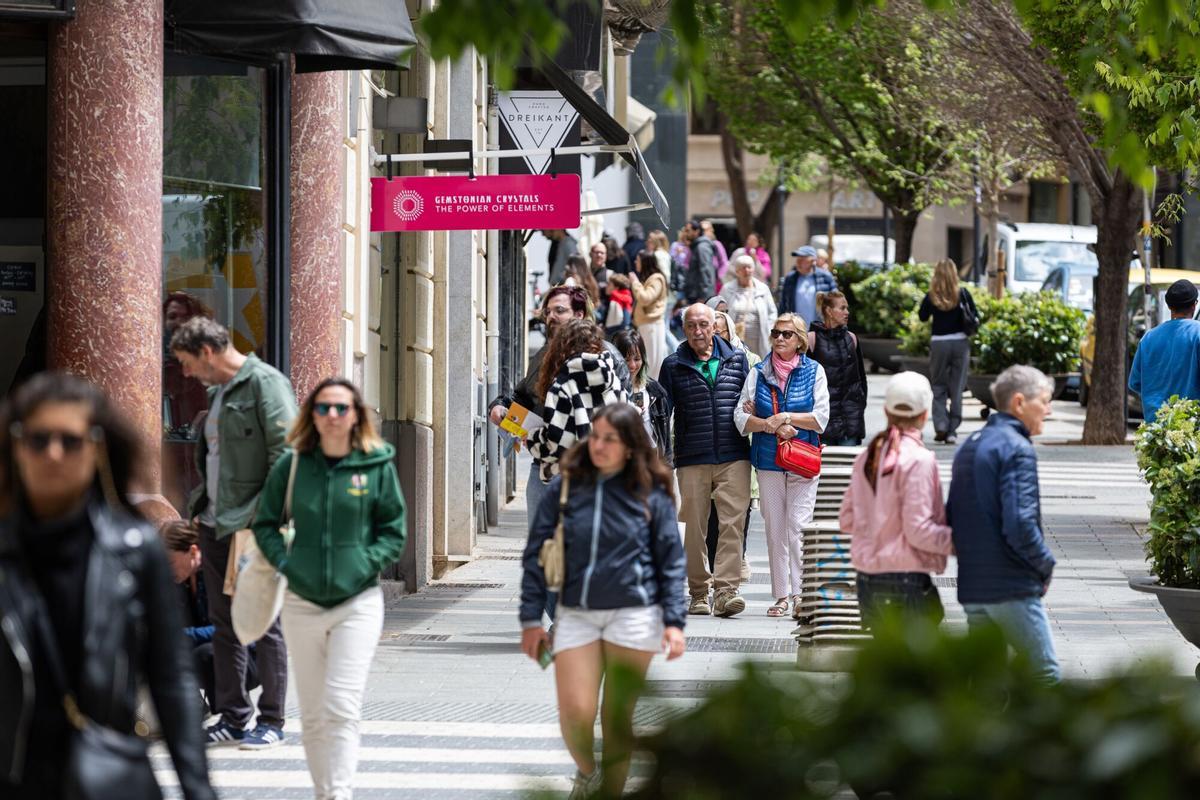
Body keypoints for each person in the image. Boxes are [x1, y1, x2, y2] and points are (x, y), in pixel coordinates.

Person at [0, 373, 216, 800]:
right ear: (16, 447)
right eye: (38, 439)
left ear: (98, 448)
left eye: (72, 440)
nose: (54, 453)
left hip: (108, 773)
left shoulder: (134, 551)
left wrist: (197, 787)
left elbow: (170, 679)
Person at [520, 404, 686, 799]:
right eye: (595, 435)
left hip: (635, 615)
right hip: (576, 614)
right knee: (574, 714)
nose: (599, 445)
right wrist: (530, 619)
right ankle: (589, 772)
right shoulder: (566, 486)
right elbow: (534, 554)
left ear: (630, 446)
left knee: (616, 719)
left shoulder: (651, 493)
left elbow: (671, 560)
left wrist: (674, 622)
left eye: (610, 438)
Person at [252, 377, 407, 800]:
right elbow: (265, 524)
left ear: (356, 414)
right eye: (323, 408)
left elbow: (393, 532)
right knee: (315, 713)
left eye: (342, 408)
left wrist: (364, 562)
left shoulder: (377, 465)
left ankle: (339, 793)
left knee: (341, 704)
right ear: (312, 416)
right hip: (301, 602)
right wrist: (285, 563)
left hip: (357, 601)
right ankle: (325, 792)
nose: (333, 416)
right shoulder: (293, 465)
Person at [170, 316, 297, 748]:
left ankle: (273, 720)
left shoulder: (266, 384)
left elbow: (288, 458)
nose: (185, 373)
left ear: (207, 352)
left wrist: (262, 520)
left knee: (263, 621)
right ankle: (232, 715)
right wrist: (200, 507)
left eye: (187, 362)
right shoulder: (219, 392)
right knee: (226, 625)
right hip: (215, 525)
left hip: (254, 525)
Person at [947, 365, 1060, 683]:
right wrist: (1044, 564)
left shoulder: (970, 445)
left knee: (986, 683)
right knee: (1045, 674)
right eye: (1045, 401)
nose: (1049, 410)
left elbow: (952, 516)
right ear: (1020, 402)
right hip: (1011, 584)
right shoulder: (1017, 448)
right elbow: (1020, 523)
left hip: (974, 586)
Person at [487, 286, 631, 516]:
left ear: (579, 314)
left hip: (561, 467)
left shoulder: (608, 357)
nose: (551, 317)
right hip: (558, 468)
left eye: (559, 310)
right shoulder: (546, 355)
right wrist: (500, 406)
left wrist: (533, 439)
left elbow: (624, 414)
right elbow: (523, 396)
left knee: (551, 546)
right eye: (548, 312)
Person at [839, 372, 953, 629]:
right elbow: (918, 530)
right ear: (925, 416)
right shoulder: (919, 460)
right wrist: (959, 543)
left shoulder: (869, 456)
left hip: (868, 579)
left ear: (886, 411)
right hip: (906, 578)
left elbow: (846, 519)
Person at [659, 303, 752, 617]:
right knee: (693, 525)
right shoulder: (673, 365)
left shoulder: (737, 360)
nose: (698, 332)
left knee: (732, 525)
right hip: (692, 456)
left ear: (715, 326)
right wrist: (662, 457)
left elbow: (750, 404)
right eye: (692, 326)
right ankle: (698, 592)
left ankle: (726, 591)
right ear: (684, 330)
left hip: (734, 453)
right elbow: (663, 414)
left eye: (704, 325)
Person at [734, 313, 829, 618]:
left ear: (800, 340)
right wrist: (769, 425)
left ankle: (801, 594)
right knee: (775, 528)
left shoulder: (815, 371)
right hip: (768, 461)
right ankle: (781, 596)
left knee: (797, 527)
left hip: (803, 458)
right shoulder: (758, 372)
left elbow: (820, 418)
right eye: (775, 332)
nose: (778, 338)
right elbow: (740, 417)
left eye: (786, 334)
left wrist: (785, 417)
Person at [161, 518, 260, 716]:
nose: (169, 569)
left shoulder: (217, 575)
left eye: (171, 562)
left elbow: (229, 627)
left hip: (247, 657)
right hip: (209, 649)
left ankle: (231, 712)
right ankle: (193, 707)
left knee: (206, 653)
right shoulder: (179, 583)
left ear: (193, 551)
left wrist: (184, 635)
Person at [527, 318, 627, 483]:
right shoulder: (613, 380)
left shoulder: (563, 386)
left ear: (561, 347)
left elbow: (557, 445)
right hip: (611, 477)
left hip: (575, 481)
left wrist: (532, 439)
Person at [919, 258, 978, 444]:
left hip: (939, 344)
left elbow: (922, 317)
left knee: (938, 387)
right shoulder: (963, 294)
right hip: (960, 343)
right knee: (957, 388)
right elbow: (975, 316)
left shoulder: (931, 296)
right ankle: (952, 431)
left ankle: (941, 426)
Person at [1129, 278, 1200, 421]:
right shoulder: (1197, 334)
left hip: (1156, 428)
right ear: (1194, 305)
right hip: (1193, 427)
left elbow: (1135, 383)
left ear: (1169, 307)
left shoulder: (1148, 338)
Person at [808, 290, 867, 446]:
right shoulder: (812, 339)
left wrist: (859, 408)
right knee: (823, 469)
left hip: (850, 421)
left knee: (848, 468)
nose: (847, 312)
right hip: (822, 422)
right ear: (829, 311)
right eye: (842, 308)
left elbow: (861, 379)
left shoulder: (852, 338)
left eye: (846, 308)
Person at [612, 329, 672, 465]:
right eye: (626, 360)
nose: (632, 365)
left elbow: (665, 435)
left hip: (651, 460)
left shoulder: (655, 391)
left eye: (637, 359)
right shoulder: (610, 391)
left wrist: (667, 466)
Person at [720, 253, 778, 358]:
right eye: (743, 268)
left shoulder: (763, 289)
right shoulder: (727, 289)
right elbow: (720, 312)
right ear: (737, 271)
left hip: (758, 338)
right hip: (735, 338)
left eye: (749, 267)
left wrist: (769, 329)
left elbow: (772, 312)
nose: (747, 270)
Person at [629, 251, 670, 380]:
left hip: (652, 324)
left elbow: (645, 298)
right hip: (646, 324)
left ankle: (652, 390)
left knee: (651, 361)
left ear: (644, 262)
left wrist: (635, 283)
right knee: (648, 358)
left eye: (638, 260)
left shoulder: (657, 278)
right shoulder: (651, 279)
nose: (636, 263)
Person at [778, 245, 837, 327]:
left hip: (820, 330)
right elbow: (783, 305)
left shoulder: (826, 277)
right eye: (797, 259)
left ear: (813, 261)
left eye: (802, 259)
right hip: (796, 330)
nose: (798, 262)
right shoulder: (790, 278)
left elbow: (836, 303)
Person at [683, 221, 716, 304]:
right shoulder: (697, 246)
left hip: (700, 297)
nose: (685, 233)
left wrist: (704, 296)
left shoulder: (702, 247)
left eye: (688, 231)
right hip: (695, 295)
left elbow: (706, 271)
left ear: (696, 231)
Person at [701, 220, 729, 288]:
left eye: (706, 229)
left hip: (715, 281)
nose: (703, 232)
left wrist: (719, 276)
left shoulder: (716, 244)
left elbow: (724, 262)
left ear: (711, 230)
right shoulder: (697, 245)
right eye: (702, 229)